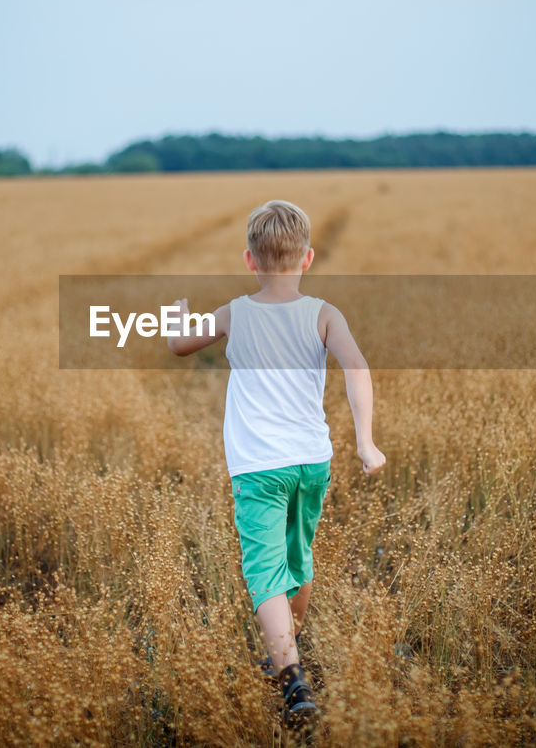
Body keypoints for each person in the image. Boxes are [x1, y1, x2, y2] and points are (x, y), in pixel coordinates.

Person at [165, 199, 386, 729]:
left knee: (266, 574)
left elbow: (178, 345)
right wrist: (366, 441)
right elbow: (357, 368)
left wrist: (175, 313)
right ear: (307, 258)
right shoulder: (324, 314)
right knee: (297, 557)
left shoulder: (235, 313)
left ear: (249, 260)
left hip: (258, 468)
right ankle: (285, 646)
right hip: (312, 461)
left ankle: (291, 679)